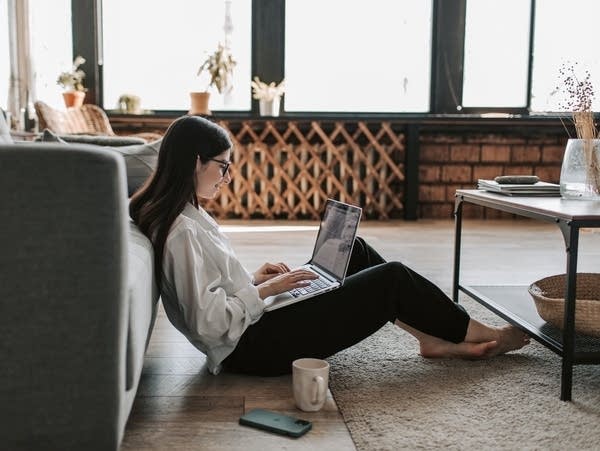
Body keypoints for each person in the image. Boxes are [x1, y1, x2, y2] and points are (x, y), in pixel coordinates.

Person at [130, 115, 530, 377]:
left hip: (253, 326)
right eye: (223, 166)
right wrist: (265, 292)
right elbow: (209, 324)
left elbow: (209, 293)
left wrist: (255, 279)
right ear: (196, 162)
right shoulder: (182, 231)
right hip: (249, 349)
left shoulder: (188, 215)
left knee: (353, 250)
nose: (227, 177)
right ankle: (478, 332)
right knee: (392, 279)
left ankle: (430, 338)